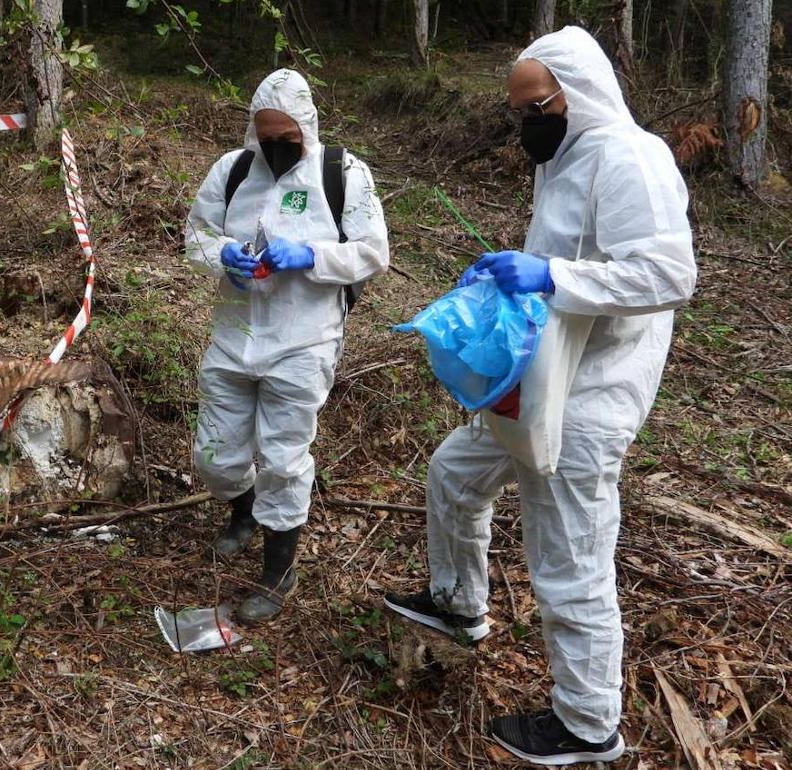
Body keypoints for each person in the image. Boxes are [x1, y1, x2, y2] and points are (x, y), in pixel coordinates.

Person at [384, 27, 696, 766]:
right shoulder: (564, 158)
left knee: (570, 556)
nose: (527, 120)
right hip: (541, 373)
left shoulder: (630, 156)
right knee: (455, 475)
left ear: (577, 93)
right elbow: (562, 259)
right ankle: (459, 603)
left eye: (537, 104)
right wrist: (510, 279)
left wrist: (552, 277)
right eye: (519, 108)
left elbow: (667, 275)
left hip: (592, 396)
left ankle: (587, 724)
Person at [184, 69, 390, 624]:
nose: (276, 146)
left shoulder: (341, 172)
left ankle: (278, 569)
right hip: (233, 335)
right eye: (266, 136)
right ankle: (242, 511)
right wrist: (224, 251)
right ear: (254, 131)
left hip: (304, 340)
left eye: (287, 138)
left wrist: (313, 257)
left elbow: (373, 252)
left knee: (283, 458)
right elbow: (196, 235)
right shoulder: (233, 170)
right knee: (216, 458)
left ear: (307, 128)